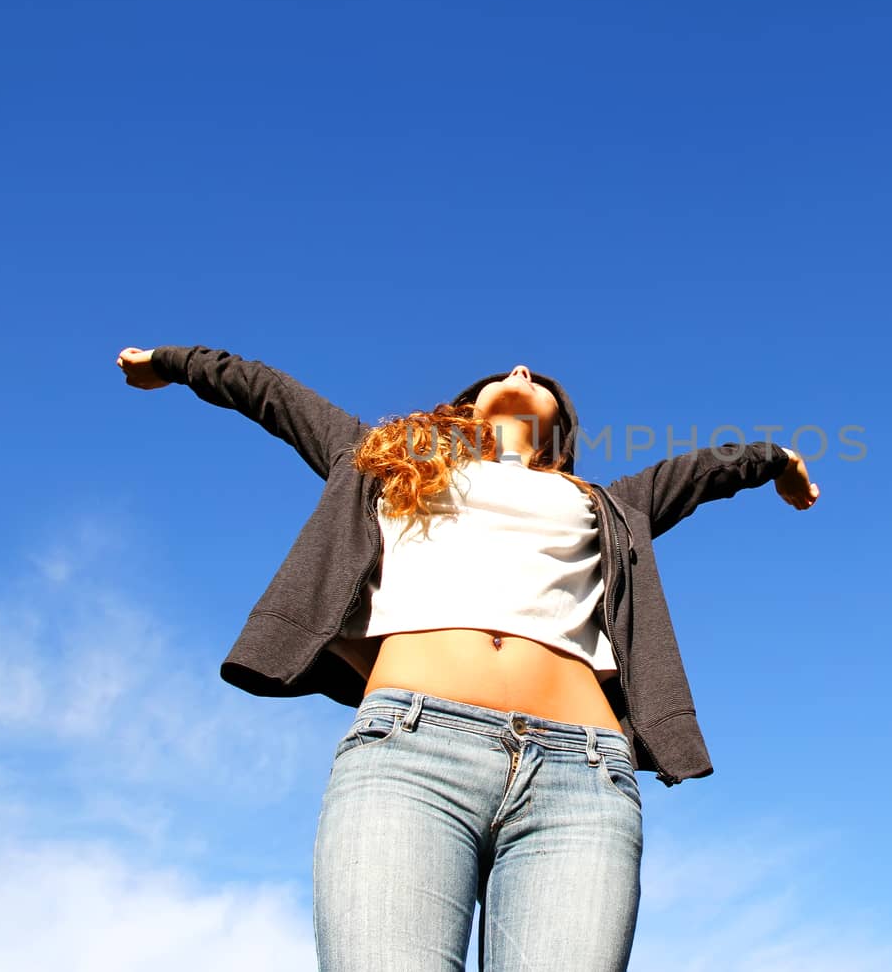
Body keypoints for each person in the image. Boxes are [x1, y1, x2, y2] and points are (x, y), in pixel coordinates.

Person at [116, 344, 819, 971]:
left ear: (563, 433)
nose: (520, 369)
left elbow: (705, 468)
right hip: (410, 757)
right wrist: (174, 363)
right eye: (504, 373)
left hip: (582, 779)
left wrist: (777, 461)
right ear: (462, 410)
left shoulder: (608, 504)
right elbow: (269, 391)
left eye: (538, 378)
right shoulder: (386, 459)